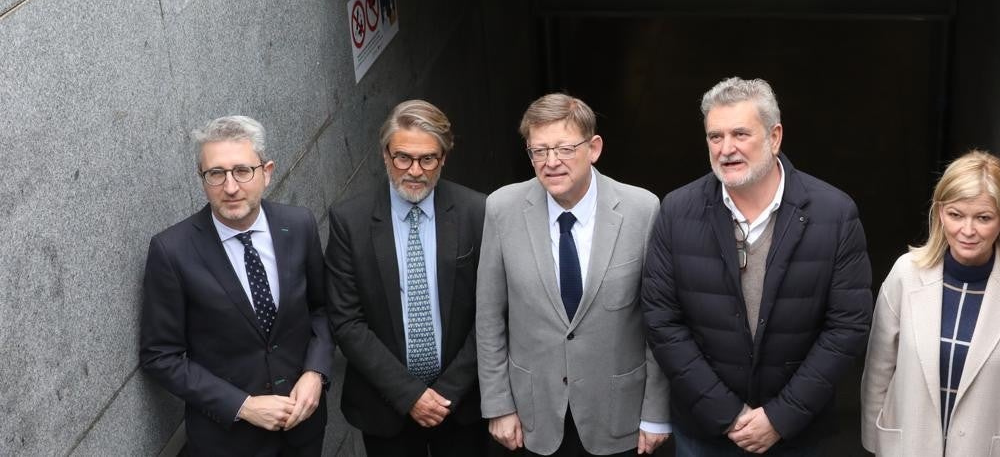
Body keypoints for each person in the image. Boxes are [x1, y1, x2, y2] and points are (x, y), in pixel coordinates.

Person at [642, 77, 873, 455]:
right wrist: (727, 414)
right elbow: (662, 321)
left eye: (740, 134)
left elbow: (847, 326)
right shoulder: (676, 211)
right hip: (705, 434)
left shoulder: (835, 214)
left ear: (775, 136)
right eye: (715, 137)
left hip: (799, 435)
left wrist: (780, 418)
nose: (726, 149)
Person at [476, 93, 671, 456]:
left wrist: (656, 413)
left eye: (565, 148)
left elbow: (659, 322)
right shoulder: (502, 209)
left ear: (594, 148)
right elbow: (489, 318)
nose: (551, 162)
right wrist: (499, 405)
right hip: (534, 419)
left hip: (619, 418)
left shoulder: (641, 209)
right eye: (539, 151)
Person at [140, 116, 332, 456]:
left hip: (303, 430)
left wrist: (315, 372)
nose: (230, 187)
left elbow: (321, 310)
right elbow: (160, 357)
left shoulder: (298, 224)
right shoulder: (172, 250)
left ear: (267, 171)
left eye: (243, 171)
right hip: (228, 442)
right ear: (202, 179)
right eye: (216, 174)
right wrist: (243, 406)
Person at [860, 150, 1000, 457]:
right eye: (956, 215)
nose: (967, 231)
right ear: (940, 213)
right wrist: (873, 445)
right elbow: (878, 371)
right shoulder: (906, 274)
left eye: (983, 218)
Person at [325, 100, 488, 455]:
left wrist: (448, 391)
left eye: (427, 159)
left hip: (462, 405)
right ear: (386, 155)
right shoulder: (349, 221)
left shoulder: (477, 212)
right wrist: (409, 394)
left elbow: (490, 312)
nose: (414, 170)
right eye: (403, 157)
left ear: (443, 158)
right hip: (386, 408)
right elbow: (346, 321)